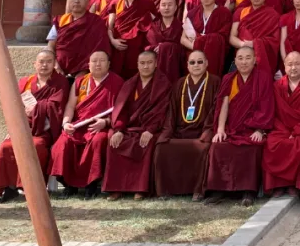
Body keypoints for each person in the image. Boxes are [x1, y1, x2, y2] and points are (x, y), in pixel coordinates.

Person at [0, 49, 70, 203]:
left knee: (36, 146)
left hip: (44, 131)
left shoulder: (61, 82)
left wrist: (36, 109)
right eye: (41, 62)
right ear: (35, 64)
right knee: (6, 146)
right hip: (24, 128)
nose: (44, 65)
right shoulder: (25, 82)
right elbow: (13, 105)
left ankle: (32, 188)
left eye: (49, 61)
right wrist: (13, 128)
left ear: (54, 64)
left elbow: (57, 106)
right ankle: (9, 188)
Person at [206, 45, 276, 205]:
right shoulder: (228, 79)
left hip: (252, 129)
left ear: (255, 60)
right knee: (218, 146)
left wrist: (260, 130)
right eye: (240, 58)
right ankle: (219, 189)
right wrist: (220, 129)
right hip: (231, 128)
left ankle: (248, 191)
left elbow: (266, 106)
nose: (244, 62)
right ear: (235, 61)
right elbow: (223, 105)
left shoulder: (263, 78)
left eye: (248, 58)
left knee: (252, 148)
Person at [50, 51, 123, 197]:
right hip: (79, 125)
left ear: (109, 64)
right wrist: (66, 123)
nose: (98, 64)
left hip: (101, 126)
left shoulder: (117, 82)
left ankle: (91, 185)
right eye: (94, 61)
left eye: (102, 60)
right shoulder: (80, 82)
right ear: (88, 64)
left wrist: (105, 122)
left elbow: (121, 110)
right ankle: (69, 185)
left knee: (98, 141)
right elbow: (70, 106)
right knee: (63, 143)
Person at [102, 50, 171, 200]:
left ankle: (140, 188)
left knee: (146, 142)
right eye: (142, 63)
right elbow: (121, 109)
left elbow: (161, 111)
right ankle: (116, 187)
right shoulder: (129, 84)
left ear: (156, 64)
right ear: (137, 65)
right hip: (128, 127)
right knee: (114, 140)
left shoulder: (162, 84)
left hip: (151, 128)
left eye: (149, 63)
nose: (146, 66)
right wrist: (119, 129)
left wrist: (150, 130)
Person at [153, 49, 220, 200]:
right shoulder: (179, 84)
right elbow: (171, 111)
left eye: (200, 62)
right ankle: (166, 190)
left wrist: (208, 131)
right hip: (180, 131)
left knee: (203, 147)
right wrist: (167, 132)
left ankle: (198, 190)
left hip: (201, 131)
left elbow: (216, 110)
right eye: (192, 62)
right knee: (161, 147)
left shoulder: (215, 82)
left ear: (206, 64)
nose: (196, 65)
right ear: (187, 66)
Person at [263, 52, 300, 196]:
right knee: (272, 143)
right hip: (281, 128)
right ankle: (279, 184)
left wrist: (297, 131)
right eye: (290, 64)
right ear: (284, 66)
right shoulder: (277, 86)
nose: (293, 68)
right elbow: (273, 113)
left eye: (297, 64)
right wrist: (286, 131)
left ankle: (295, 185)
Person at [48, 0, 109, 78]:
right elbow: (50, 45)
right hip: (58, 67)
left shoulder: (96, 21)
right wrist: (56, 65)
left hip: (84, 69)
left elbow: (101, 47)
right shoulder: (59, 20)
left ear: (88, 2)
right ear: (69, 1)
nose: (77, 1)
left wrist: (85, 70)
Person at [106, 0, 157, 80]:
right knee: (117, 74)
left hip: (138, 45)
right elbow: (110, 26)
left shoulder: (147, 2)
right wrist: (112, 41)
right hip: (118, 44)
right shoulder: (116, 3)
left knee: (135, 75)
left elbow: (153, 24)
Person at [181, 0, 232, 77]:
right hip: (194, 52)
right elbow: (183, 39)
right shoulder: (192, 13)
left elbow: (223, 38)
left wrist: (202, 43)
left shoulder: (224, 13)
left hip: (214, 54)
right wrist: (197, 47)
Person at [232, 0, 282, 73]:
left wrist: (254, 44)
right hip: (242, 56)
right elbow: (232, 37)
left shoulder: (273, 15)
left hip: (262, 57)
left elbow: (275, 40)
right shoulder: (241, 12)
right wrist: (243, 45)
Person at [147, 0, 184, 82]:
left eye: (170, 5)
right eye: (163, 5)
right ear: (159, 8)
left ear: (175, 8)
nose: (166, 8)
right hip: (154, 62)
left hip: (173, 65)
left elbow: (183, 50)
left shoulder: (181, 27)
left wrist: (165, 47)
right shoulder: (152, 26)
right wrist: (154, 48)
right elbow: (146, 46)